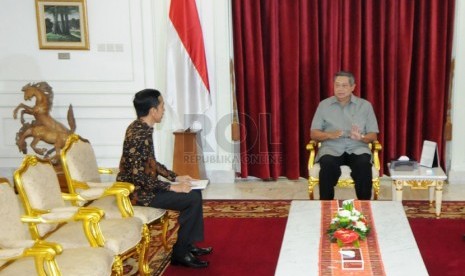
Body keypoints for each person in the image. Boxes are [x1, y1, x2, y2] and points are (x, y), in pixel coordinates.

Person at [116, 89, 212, 268]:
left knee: (193, 193)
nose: (164, 110)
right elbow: (140, 177)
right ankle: (180, 253)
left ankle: (186, 245)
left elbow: (151, 163)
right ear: (153, 111)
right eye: (161, 106)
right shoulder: (139, 135)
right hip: (136, 194)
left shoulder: (141, 127)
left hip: (143, 188)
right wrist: (171, 187)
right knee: (191, 198)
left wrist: (175, 176)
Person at [310, 71, 379, 200]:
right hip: (331, 148)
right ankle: (326, 207)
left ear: (353, 87)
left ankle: (365, 208)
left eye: (344, 85)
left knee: (363, 165)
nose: (340, 89)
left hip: (357, 147)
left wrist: (362, 138)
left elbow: (373, 135)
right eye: (337, 85)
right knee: (327, 166)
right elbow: (313, 133)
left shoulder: (365, 106)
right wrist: (329, 135)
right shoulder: (324, 105)